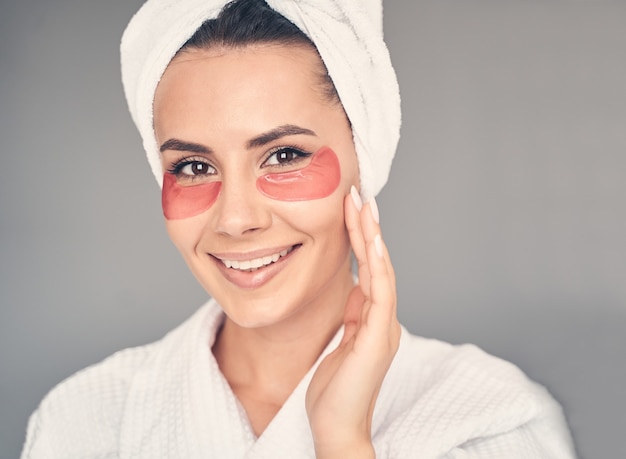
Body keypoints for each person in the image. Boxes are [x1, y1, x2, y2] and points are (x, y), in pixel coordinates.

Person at [21, 0, 576, 457]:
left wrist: (341, 441)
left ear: (364, 158)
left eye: (284, 155)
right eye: (193, 167)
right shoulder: (83, 421)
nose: (236, 219)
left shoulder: (493, 423)